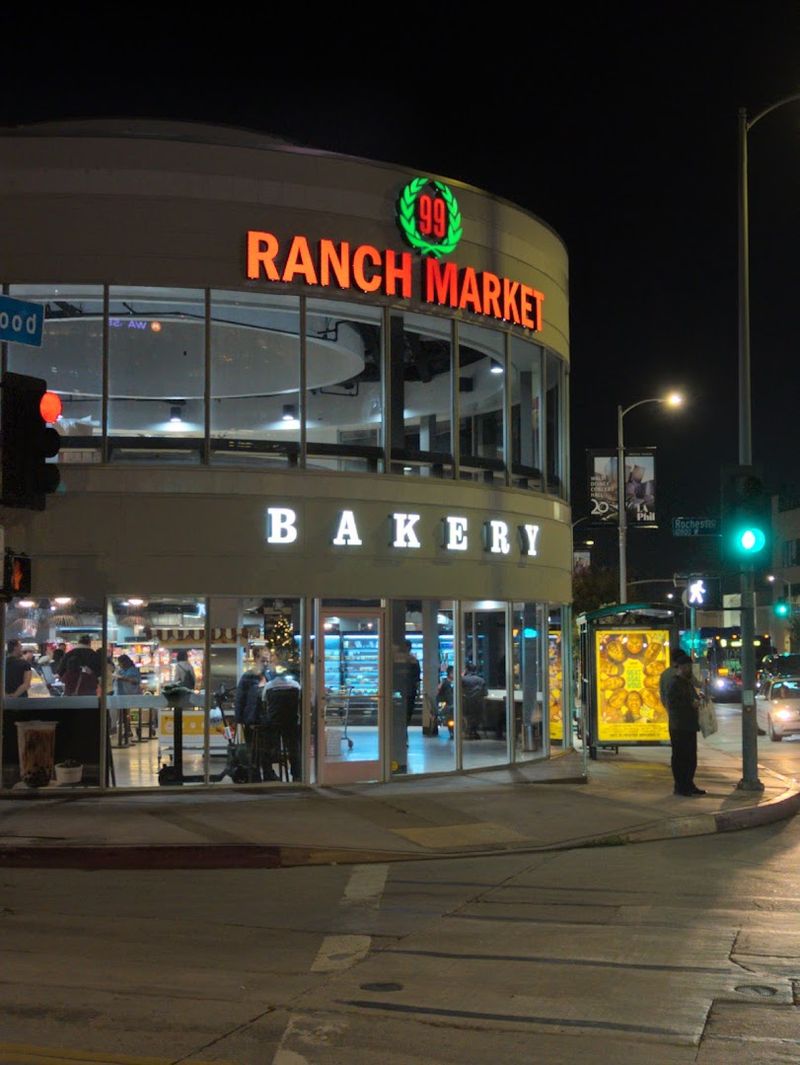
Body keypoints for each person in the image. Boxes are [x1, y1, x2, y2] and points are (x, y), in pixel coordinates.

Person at [663, 651, 705, 797]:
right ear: (680, 667)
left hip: (689, 725)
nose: (689, 669)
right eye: (686, 667)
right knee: (681, 757)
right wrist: (690, 704)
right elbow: (673, 704)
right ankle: (681, 786)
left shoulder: (687, 683)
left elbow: (692, 697)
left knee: (691, 758)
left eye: (690, 667)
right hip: (679, 726)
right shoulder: (674, 683)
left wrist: (698, 700)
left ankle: (689, 784)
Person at [234, 651, 278, 781]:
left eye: (267, 661)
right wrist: (239, 719)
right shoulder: (247, 677)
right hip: (252, 718)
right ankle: (254, 774)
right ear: (256, 659)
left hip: (267, 719)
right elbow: (240, 698)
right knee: (253, 748)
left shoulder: (271, 676)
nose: (265, 663)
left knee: (268, 748)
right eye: (263, 660)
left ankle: (268, 772)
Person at [262, 666, 302, 781]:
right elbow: (300, 702)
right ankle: (297, 775)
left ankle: (268, 773)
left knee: (268, 748)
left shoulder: (269, 686)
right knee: (293, 748)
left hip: (273, 723)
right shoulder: (295, 685)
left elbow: (264, 703)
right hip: (291, 722)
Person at [461, 661, 487, 739]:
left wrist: (462, 676)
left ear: (466, 669)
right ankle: (474, 731)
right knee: (476, 717)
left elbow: (458, 691)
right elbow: (485, 693)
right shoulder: (481, 680)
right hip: (478, 704)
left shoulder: (463, 680)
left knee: (467, 716)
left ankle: (468, 730)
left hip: (467, 703)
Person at [436, 665, 455, 739]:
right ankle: (452, 731)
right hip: (445, 706)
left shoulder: (446, 682)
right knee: (451, 713)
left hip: (444, 705)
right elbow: (449, 698)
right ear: (450, 673)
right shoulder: (447, 684)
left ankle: (452, 731)